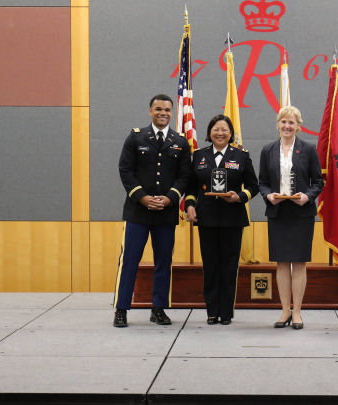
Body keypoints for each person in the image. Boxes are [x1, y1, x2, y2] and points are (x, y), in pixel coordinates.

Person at [113, 94, 191, 327]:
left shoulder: (180, 141)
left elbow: (184, 176)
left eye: (167, 110)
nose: (163, 113)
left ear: (171, 112)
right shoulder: (136, 138)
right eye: (158, 109)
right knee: (130, 260)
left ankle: (158, 309)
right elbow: (125, 170)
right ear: (150, 111)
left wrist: (169, 199)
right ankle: (121, 309)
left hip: (165, 213)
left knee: (163, 261)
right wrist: (142, 197)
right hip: (138, 211)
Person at [185, 115, 258, 325]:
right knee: (210, 266)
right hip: (205, 218)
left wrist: (240, 197)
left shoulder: (242, 156)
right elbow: (191, 188)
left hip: (232, 218)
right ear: (209, 133)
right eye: (216, 129)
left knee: (229, 266)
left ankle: (226, 311)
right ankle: (211, 311)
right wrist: (190, 205)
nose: (220, 133)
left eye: (224, 130)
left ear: (231, 133)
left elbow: (253, 186)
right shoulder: (198, 155)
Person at [258, 106, 323, 330]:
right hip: (278, 212)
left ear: (298, 126)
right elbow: (262, 182)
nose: (287, 126)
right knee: (282, 262)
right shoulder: (268, 150)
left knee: (299, 262)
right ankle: (285, 310)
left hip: (301, 212)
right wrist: (268, 195)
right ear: (278, 124)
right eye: (283, 122)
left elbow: (318, 182)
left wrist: (307, 196)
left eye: (292, 123)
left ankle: (297, 312)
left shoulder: (308, 149)